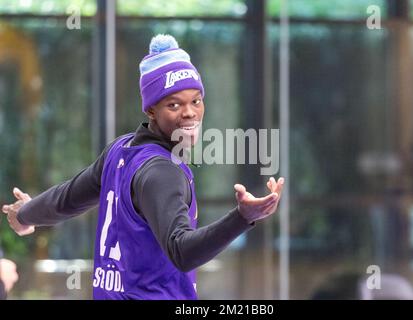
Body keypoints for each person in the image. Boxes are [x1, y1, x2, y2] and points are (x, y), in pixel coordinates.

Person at [1, 34, 284, 300]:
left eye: (196, 101)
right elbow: (182, 251)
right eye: (174, 104)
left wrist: (25, 214)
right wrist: (242, 217)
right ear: (150, 110)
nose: (189, 113)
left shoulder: (120, 151)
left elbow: (67, 199)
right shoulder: (162, 171)